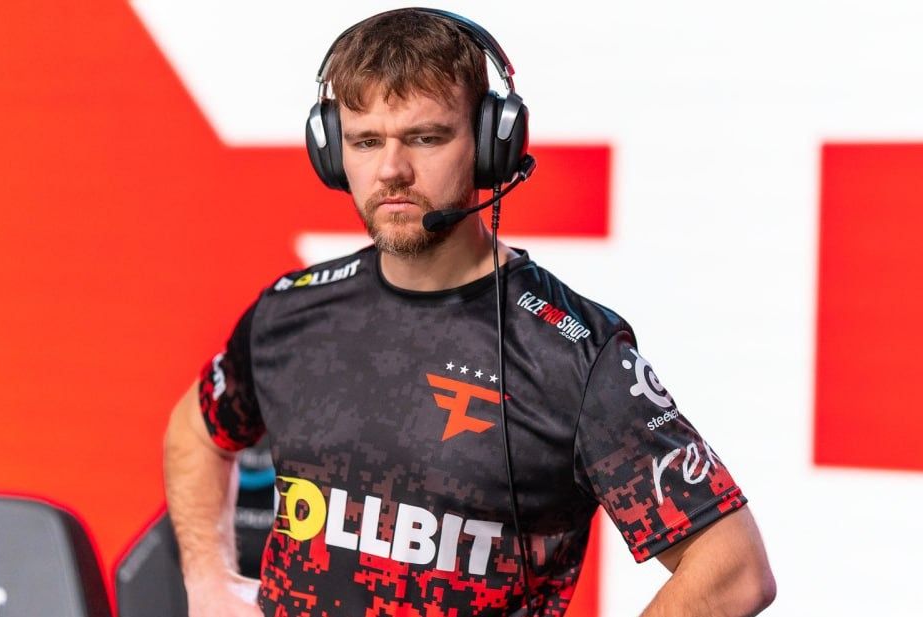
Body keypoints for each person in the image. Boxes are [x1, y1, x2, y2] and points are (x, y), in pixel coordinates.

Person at [163, 8, 775, 617]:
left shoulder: (572, 354)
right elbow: (195, 431)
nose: (391, 170)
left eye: (426, 138)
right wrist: (208, 580)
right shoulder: (290, 313)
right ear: (331, 150)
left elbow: (734, 569)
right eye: (366, 141)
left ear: (489, 145)